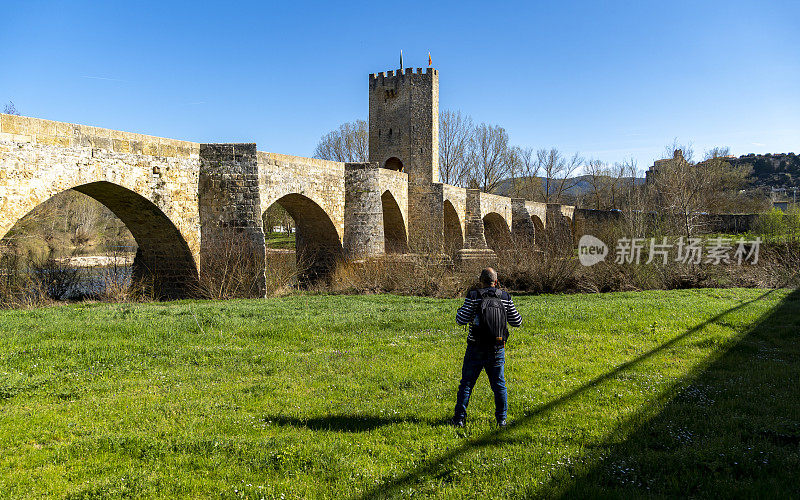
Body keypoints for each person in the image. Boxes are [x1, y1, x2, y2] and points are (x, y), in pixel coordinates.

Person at [451, 267, 522, 428]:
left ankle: (459, 419)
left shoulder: (474, 296)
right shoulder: (505, 297)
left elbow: (460, 319)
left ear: (480, 281)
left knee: (467, 384)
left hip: (475, 346)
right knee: (498, 385)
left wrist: (461, 311)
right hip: (497, 347)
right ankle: (501, 419)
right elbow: (517, 321)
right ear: (496, 282)